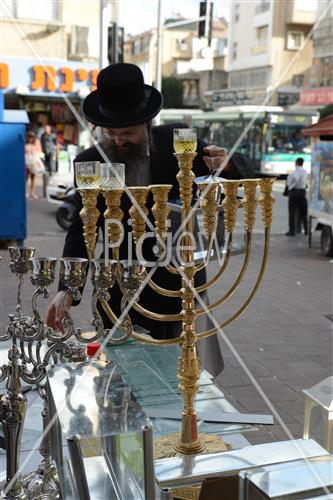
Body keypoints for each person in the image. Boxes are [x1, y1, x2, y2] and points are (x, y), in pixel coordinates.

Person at [46, 63, 255, 376]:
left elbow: (240, 166)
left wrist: (228, 165)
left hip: (180, 288)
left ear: (146, 124)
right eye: (110, 133)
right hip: (118, 290)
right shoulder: (89, 162)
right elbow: (80, 231)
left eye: (127, 133)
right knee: (119, 380)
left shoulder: (178, 144)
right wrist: (67, 288)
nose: (118, 140)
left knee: (186, 380)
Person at [286, 157, 308, 236]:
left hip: (294, 192)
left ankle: (292, 231)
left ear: (296, 163)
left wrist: (290, 186)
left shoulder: (294, 172)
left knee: (292, 213)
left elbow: (291, 181)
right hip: (302, 192)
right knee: (304, 212)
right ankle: (306, 229)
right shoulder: (305, 171)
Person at [25, 131, 43, 199]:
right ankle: (25, 192)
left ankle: (32, 193)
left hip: (33, 163)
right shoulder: (25, 145)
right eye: (29, 137)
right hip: (26, 163)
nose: (30, 139)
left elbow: (37, 153)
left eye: (32, 137)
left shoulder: (34, 145)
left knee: (33, 179)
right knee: (26, 179)